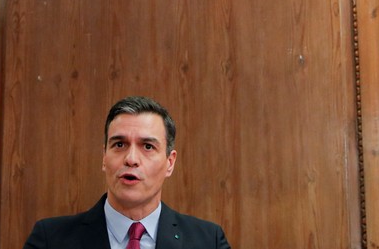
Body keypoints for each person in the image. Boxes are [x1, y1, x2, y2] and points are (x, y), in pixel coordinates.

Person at [22, 95, 231, 249]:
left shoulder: (208, 240)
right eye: (119, 144)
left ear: (170, 162)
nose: (131, 159)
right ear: (104, 157)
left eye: (148, 147)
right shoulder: (50, 239)